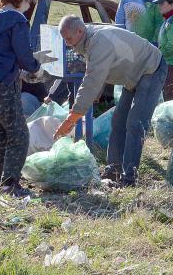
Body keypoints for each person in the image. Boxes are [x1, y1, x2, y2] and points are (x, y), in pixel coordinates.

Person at [54, 15, 166, 187]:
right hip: (133, 75)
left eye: (68, 39)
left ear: (80, 31)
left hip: (151, 69)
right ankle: (113, 171)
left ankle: (129, 177)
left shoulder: (99, 42)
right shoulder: (86, 39)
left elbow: (92, 80)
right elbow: (97, 71)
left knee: (135, 124)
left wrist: (72, 118)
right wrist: (95, 93)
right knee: (118, 122)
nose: (67, 43)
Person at [0, 0, 53, 197]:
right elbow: (22, 54)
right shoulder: (17, 20)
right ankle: (10, 184)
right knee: (19, 135)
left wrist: (30, 59)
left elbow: (2, 52)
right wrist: (35, 67)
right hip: (2, 83)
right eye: (29, 3)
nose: (29, 8)